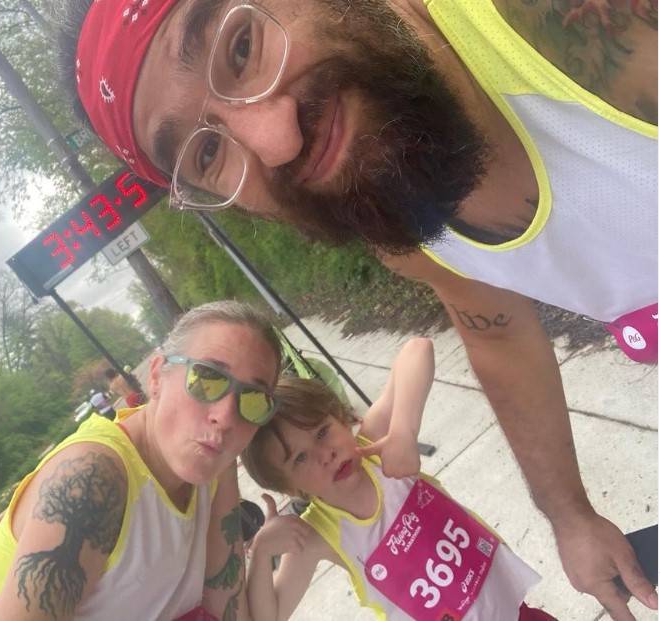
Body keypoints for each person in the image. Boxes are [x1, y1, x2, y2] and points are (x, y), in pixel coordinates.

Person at [52, 1, 657, 617]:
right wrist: (571, 516)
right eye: (208, 155)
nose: (276, 140)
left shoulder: (561, 24)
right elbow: (498, 333)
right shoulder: (413, 232)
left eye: (241, 47)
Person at [0, 300, 283, 621]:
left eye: (253, 399)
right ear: (157, 377)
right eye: (207, 379)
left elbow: (226, 605)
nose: (226, 417)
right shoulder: (92, 479)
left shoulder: (214, 462)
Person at [241, 344, 558, 620]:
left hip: (513, 610)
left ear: (342, 418)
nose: (325, 454)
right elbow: (270, 614)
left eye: (323, 432)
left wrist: (404, 431)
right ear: (289, 488)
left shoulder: (374, 449)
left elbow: (417, 350)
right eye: (300, 458)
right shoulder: (315, 535)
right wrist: (262, 552)